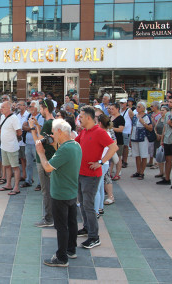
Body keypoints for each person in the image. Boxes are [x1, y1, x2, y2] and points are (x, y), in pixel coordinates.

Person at [36, 119, 82, 267]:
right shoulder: (75, 145)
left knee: (61, 226)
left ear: (60, 132)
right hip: (71, 191)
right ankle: (71, 249)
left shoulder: (65, 149)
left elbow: (48, 167)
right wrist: (55, 146)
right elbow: (62, 159)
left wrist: (41, 153)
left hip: (60, 193)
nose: (53, 135)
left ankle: (62, 258)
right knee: (72, 222)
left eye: (54, 132)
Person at [75, 106, 118, 249]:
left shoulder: (99, 132)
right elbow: (74, 143)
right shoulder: (84, 132)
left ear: (88, 117)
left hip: (91, 176)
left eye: (80, 116)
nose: (79, 119)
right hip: (81, 173)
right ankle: (87, 228)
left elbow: (113, 147)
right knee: (82, 203)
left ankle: (94, 237)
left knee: (88, 205)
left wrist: (101, 162)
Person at [30, 99, 56, 227]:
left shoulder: (48, 123)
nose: (40, 111)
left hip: (44, 159)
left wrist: (32, 128)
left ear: (45, 109)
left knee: (46, 190)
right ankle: (51, 215)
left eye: (40, 108)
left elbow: (39, 141)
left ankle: (48, 218)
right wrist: (38, 126)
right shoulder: (53, 121)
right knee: (50, 189)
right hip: (50, 158)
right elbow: (45, 137)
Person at [0, 101, 22, 195]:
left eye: (3, 107)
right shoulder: (2, 117)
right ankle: (8, 184)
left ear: (9, 108)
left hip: (12, 147)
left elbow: (19, 132)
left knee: (15, 167)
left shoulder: (14, 118)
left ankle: (16, 187)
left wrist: (12, 138)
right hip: (4, 146)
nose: (1, 109)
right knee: (7, 166)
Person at [94, 114, 114, 217]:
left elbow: (113, 148)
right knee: (100, 186)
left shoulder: (103, 133)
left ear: (100, 123)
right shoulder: (107, 132)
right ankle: (100, 207)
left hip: (102, 163)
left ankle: (96, 210)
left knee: (96, 188)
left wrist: (101, 162)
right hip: (104, 163)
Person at [22, 100, 44, 189]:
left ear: (36, 108)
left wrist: (29, 128)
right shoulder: (29, 115)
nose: (29, 108)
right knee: (29, 164)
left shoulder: (40, 117)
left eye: (31, 106)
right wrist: (31, 128)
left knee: (39, 164)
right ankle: (28, 180)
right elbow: (23, 127)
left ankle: (40, 183)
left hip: (37, 144)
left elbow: (37, 129)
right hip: (28, 143)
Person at [109, 103, 125, 182]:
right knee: (111, 158)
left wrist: (111, 128)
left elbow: (120, 129)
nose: (111, 111)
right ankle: (110, 173)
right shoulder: (110, 117)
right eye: (110, 109)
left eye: (113, 109)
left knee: (118, 157)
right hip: (111, 140)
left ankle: (117, 174)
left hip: (118, 140)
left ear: (117, 109)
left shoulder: (120, 118)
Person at [154, 105, 169, 179]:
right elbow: (155, 128)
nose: (161, 111)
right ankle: (161, 172)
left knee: (166, 157)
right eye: (161, 110)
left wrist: (162, 138)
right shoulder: (160, 119)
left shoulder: (168, 119)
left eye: (163, 110)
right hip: (158, 139)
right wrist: (157, 134)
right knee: (160, 156)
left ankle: (166, 173)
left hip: (165, 139)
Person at [16, 101, 29, 183]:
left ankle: (28, 175)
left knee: (27, 159)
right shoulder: (17, 115)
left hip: (25, 140)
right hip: (19, 141)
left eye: (20, 105)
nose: (18, 107)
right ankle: (24, 175)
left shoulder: (28, 115)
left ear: (24, 106)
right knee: (21, 158)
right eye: (18, 105)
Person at [120, 99, 134, 168]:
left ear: (126, 103)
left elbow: (133, 119)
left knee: (126, 146)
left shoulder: (129, 110)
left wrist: (131, 129)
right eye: (121, 103)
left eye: (123, 103)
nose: (121, 104)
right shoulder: (119, 110)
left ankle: (125, 161)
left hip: (127, 131)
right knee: (121, 146)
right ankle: (121, 160)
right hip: (121, 131)